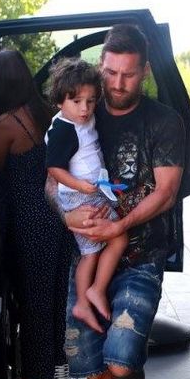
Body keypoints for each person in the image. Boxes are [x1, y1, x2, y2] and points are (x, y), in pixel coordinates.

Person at [46, 24, 186, 379]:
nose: (118, 83)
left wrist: (119, 226)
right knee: (95, 372)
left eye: (128, 74)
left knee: (121, 362)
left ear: (145, 72)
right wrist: (66, 217)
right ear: (100, 66)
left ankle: (131, 377)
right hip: (87, 255)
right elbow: (51, 182)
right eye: (110, 72)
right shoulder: (79, 111)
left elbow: (167, 192)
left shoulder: (163, 121)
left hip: (141, 256)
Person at [0, 49, 74, 379]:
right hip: (57, 216)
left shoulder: (5, 125)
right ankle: (56, 376)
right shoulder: (47, 114)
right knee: (55, 299)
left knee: (32, 304)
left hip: (27, 222)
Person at [45, 57, 128, 334]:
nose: (84, 109)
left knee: (92, 252)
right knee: (113, 240)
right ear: (60, 101)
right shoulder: (63, 129)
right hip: (79, 198)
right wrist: (80, 186)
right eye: (76, 101)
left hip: (91, 192)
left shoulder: (82, 120)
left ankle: (86, 298)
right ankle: (93, 293)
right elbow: (54, 169)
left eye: (91, 101)